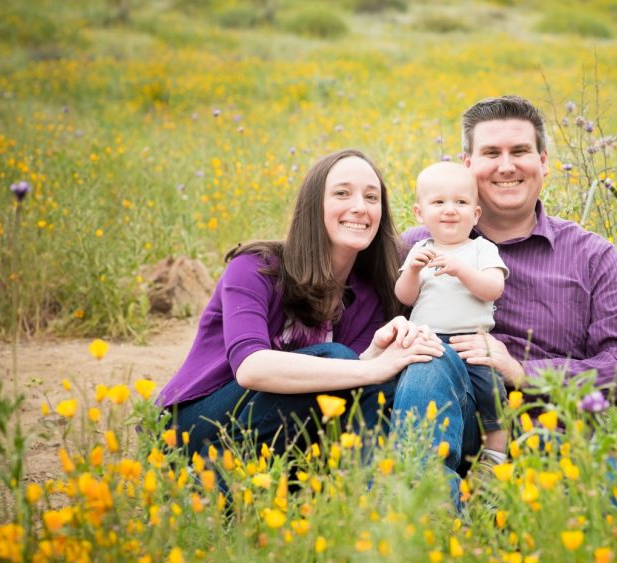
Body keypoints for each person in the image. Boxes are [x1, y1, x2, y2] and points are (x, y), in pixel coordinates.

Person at [392, 96, 617, 489]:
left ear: (543, 161)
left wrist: (523, 372)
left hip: (549, 433)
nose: (506, 166)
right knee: (431, 358)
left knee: (608, 497)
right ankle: (430, 507)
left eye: (519, 151)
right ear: (467, 165)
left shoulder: (591, 255)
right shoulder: (417, 246)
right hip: (449, 425)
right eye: (490, 153)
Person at [159, 149, 444, 461]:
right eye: (342, 193)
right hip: (194, 426)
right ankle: (214, 478)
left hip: (275, 434)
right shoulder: (256, 266)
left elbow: (350, 378)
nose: (360, 207)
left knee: (372, 385)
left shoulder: (370, 293)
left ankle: (368, 483)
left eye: (371, 197)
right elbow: (250, 368)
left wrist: (376, 353)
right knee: (343, 360)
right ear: (314, 204)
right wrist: (373, 367)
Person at [395, 161, 510, 468]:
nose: (450, 210)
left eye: (460, 202)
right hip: (427, 340)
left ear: (476, 213)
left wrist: (461, 269)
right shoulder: (419, 249)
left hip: (471, 342)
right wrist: (412, 271)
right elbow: (405, 297)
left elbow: (493, 288)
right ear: (420, 213)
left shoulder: (481, 249)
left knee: (490, 391)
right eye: (438, 202)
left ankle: (496, 454)